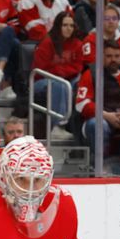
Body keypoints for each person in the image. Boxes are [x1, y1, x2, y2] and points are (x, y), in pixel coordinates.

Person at [75, 39, 120, 164]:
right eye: (109, 56)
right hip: (98, 119)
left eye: (117, 56)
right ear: (101, 57)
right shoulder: (91, 73)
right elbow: (81, 104)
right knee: (99, 124)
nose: (113, 59)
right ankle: (100, 166)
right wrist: (107, 116)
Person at [32, 11, 84, 141]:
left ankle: (76, 129)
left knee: (78, 83)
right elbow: (40, 69)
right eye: (65, 25)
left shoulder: (77, 44)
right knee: (60, 84)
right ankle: (58, 126)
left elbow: (78, 67)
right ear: (58, 26)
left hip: (67, 78)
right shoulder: (47, 43)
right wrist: (61, 73)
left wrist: (60, 71)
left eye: (71, 26)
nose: (68, 28)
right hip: (42, 81)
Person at [82, 4, 120, 70]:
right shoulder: (90, 40)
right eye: (106, 19)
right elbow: (91, 64)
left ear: (118, 21)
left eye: (114, 18)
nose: (111, 22)